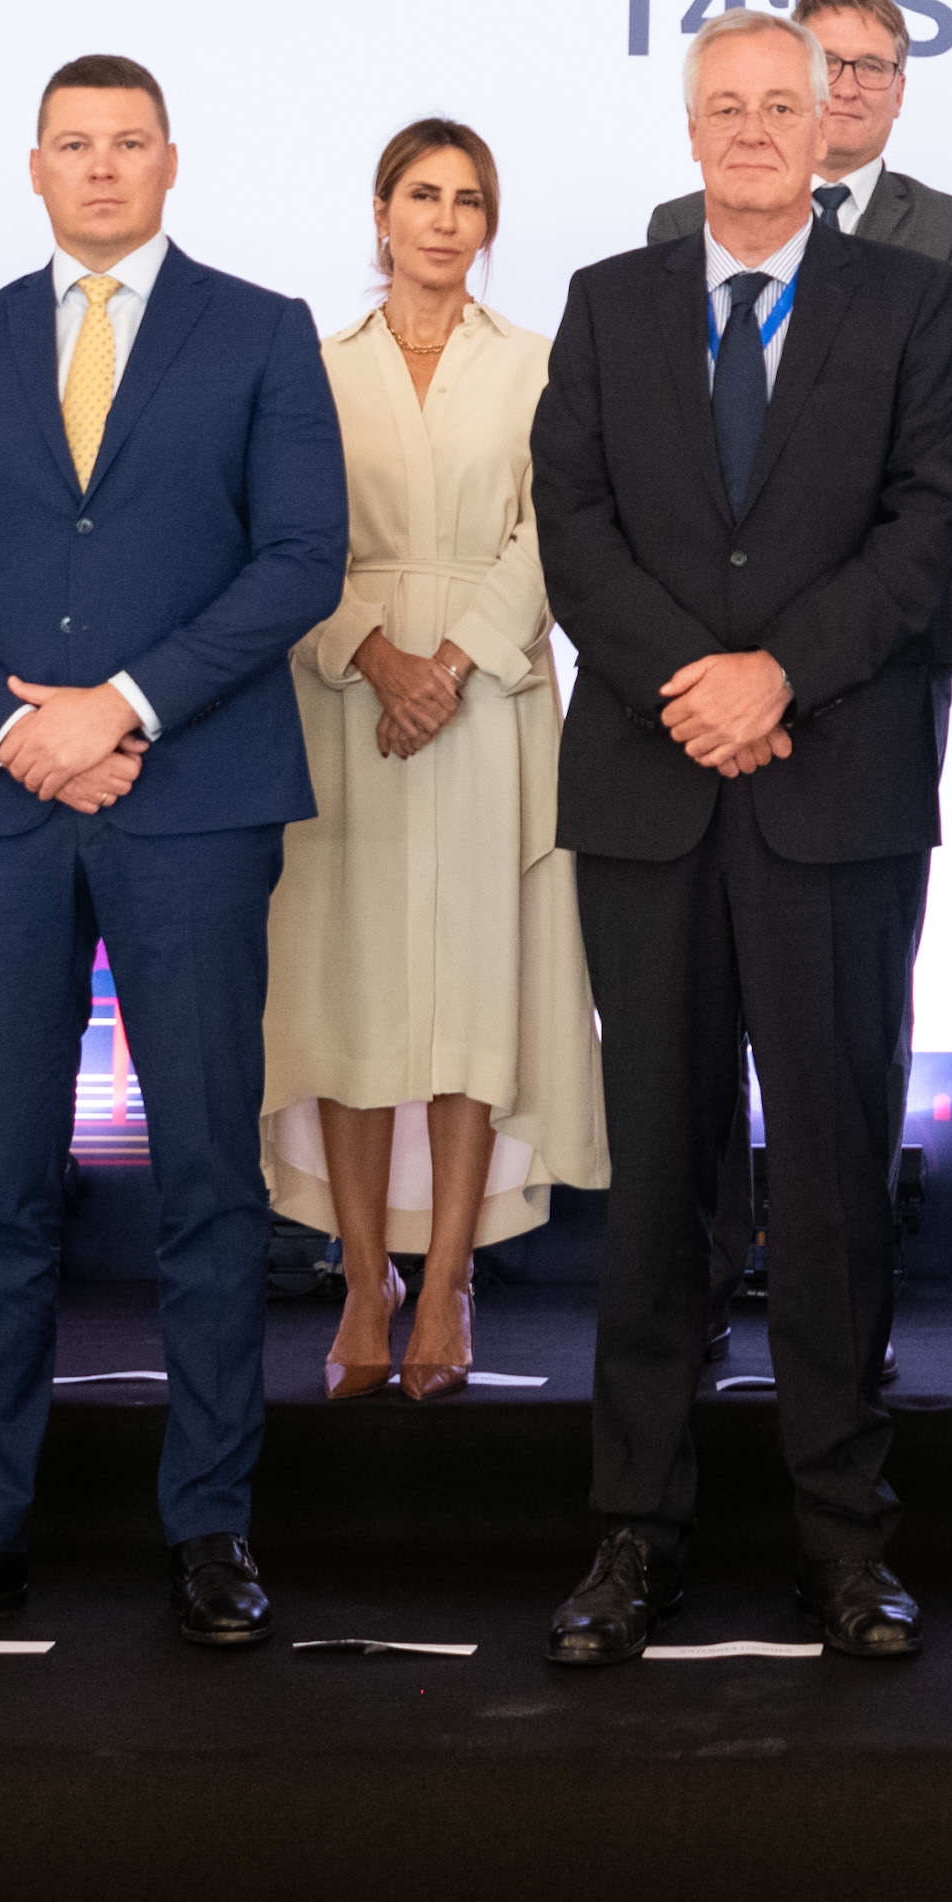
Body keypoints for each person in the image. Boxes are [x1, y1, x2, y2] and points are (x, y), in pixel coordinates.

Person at [0, 61, 347, 1655]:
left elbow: (300, 555)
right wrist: (11, 726)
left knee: (204, 1177)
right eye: (76, 143)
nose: (103, 165)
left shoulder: (259, 325)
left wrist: (119, 705)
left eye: (129, 142)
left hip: (187, 792)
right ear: (36, 166)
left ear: (172, 161)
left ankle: (209, 1523)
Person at [535, 9, 952, 1667]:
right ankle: (634, 1535)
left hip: (834, 788)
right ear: (691, 123)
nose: (753, 132)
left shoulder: (910, 303)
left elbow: (926, 521)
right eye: (723, 106)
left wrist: (778, 670)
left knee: (838, 1178)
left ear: (830, 121)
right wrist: (689, 683)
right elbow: (570, 528)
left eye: (781, 105)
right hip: (651, 798)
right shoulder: (609, 301)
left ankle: (845, 1539)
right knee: (656, 1178)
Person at [270, 121, 606, 1397]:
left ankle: (452, 1278)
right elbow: (283, 533)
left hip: (490, 696)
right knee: (349, 987)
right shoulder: (310, 366)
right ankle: (365, 1276)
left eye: (469, 200)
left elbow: (554, 529)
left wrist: (453, 660)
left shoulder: (535, 363)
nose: (445, 220)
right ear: (380, 212)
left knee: (476, 992)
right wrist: (372, 654)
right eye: (423, 195)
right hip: (342, 695)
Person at [640, 0, 952, 321]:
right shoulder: (683, 222)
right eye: (828, 63)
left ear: (899, 92)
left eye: (872, 67)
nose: (846, 89)